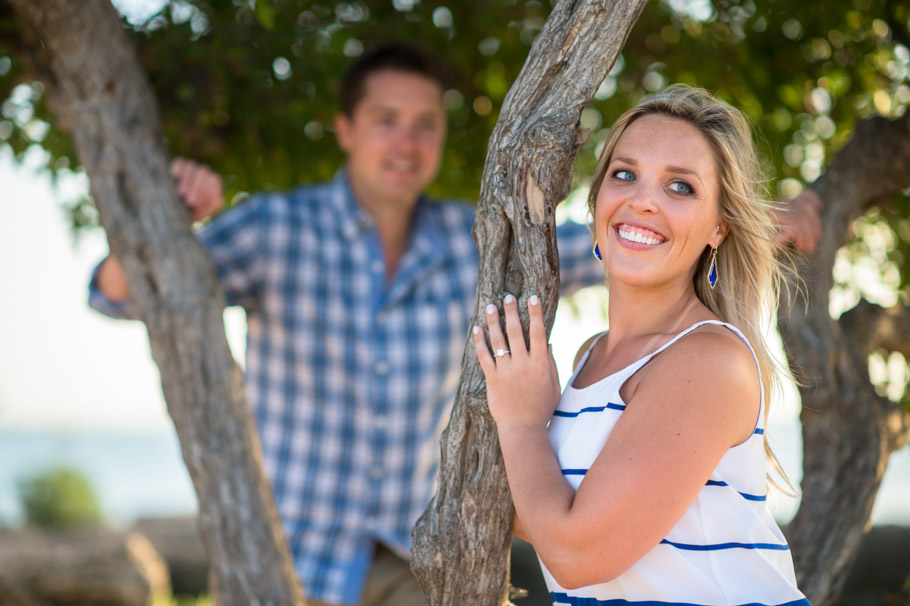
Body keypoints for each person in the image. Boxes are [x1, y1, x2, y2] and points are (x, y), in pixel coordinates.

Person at [88, 43, 605, 606]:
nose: (406, 141)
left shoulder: (478, 241)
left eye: (424, 124)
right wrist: (164, 213)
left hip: (424, 561)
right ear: (344, 130)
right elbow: (119, 296)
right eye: (386, 120)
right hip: (288, 563)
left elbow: (611, 251)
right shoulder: (274, 229)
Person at [473, 84, 810, 606]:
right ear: (597, 200)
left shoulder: (709, 363)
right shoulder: (589, 356)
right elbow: (539, 509)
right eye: (624, 174)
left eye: (681, 187)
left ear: (718, 228)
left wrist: (520, 425)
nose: (643, 200)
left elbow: (578, 555)